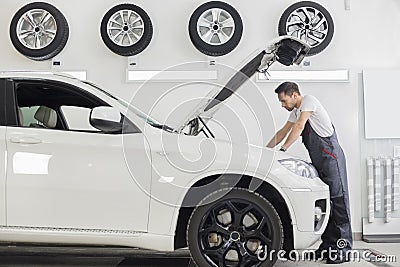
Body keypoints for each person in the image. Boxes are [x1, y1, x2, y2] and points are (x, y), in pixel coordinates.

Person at [266, 81, 352, 264]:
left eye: (283, 100)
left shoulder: (308, 102)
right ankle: (328, 247)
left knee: (339, 202)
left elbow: (299, 127)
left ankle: (344, 249)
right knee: (327, 203)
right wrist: (264, 151)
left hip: (331, 158)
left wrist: (283, 150)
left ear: (294, 95)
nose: (282, 105)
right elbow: (283, 131)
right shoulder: (296, 111)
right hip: (320, 160)